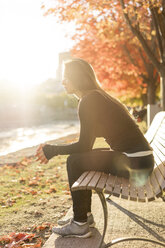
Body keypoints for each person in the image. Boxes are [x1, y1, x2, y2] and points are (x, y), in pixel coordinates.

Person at [35, 58, 154, 238]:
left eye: (66, 76)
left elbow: (84, 145)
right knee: (79, 158)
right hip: (141, 160)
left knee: (75, 161)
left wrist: (52, 150)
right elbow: (88, 143)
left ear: (78, 77)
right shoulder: (96, 97)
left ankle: (80, 223)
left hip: (135, 162)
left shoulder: (90, 100)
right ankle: (84, 217)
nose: (62, 81)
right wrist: (54, 149)